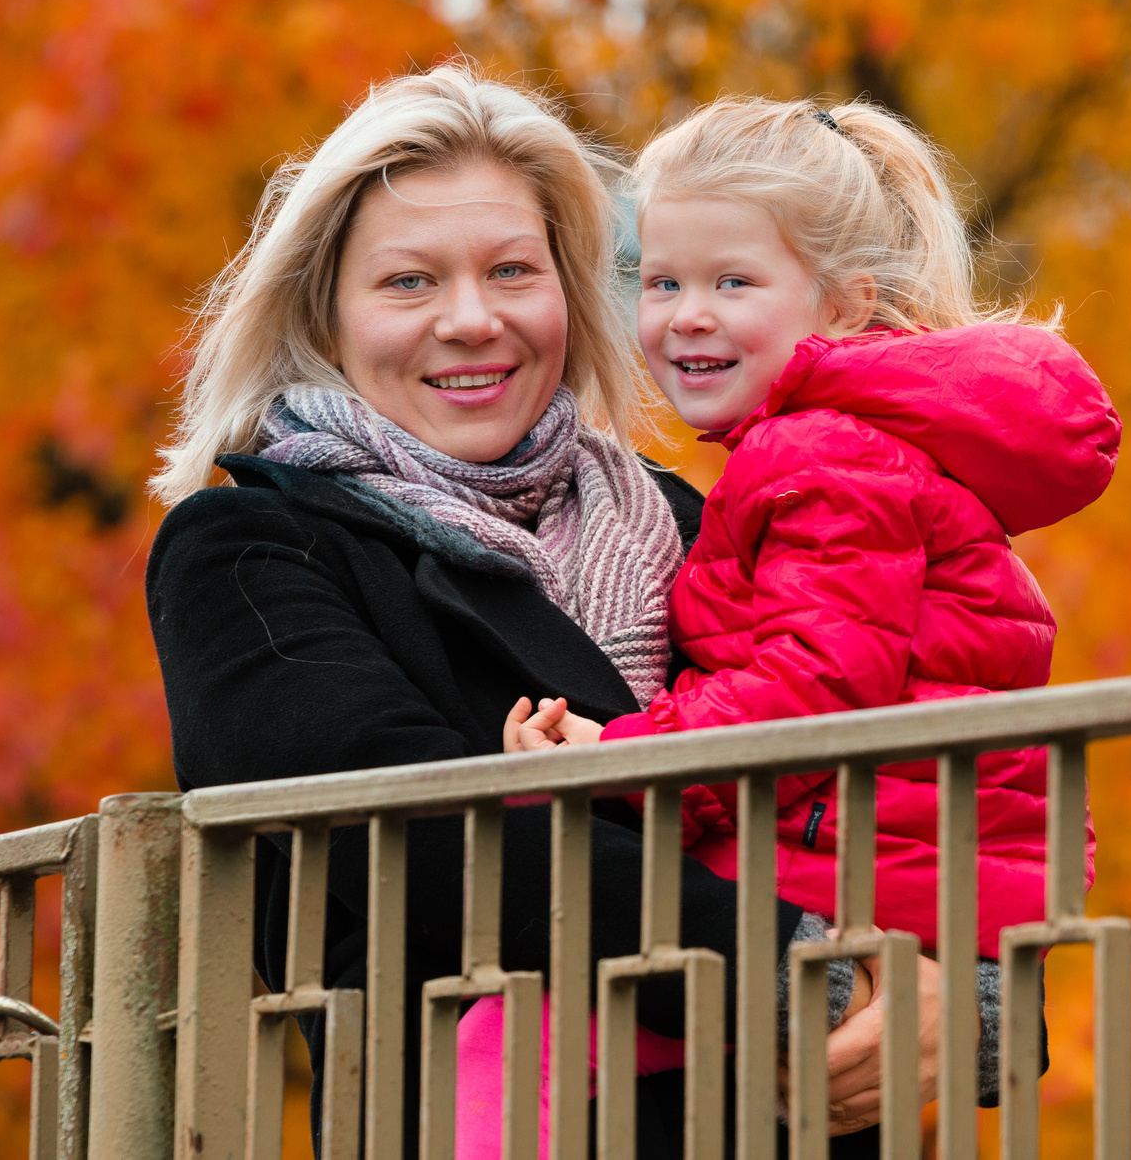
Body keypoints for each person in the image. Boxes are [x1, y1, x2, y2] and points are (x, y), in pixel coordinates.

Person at [141, 66, 932, 1159]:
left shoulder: (694, 518)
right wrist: (806, 967)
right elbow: (420, 842)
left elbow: (919, 762)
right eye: (409, 282)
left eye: (512, 269)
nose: (471, 319)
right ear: (324, 311)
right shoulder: (251, 551)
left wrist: (960, 1000)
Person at [507, 95, 1120, 1099]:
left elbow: (817, 685)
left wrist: (621, 757)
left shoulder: (822, 454)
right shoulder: (835, 447)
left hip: (845, 874)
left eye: (732, 281)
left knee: (534, 1045)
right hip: (892, 865)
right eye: (661, 280)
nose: (685, 313)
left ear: (841, 304)